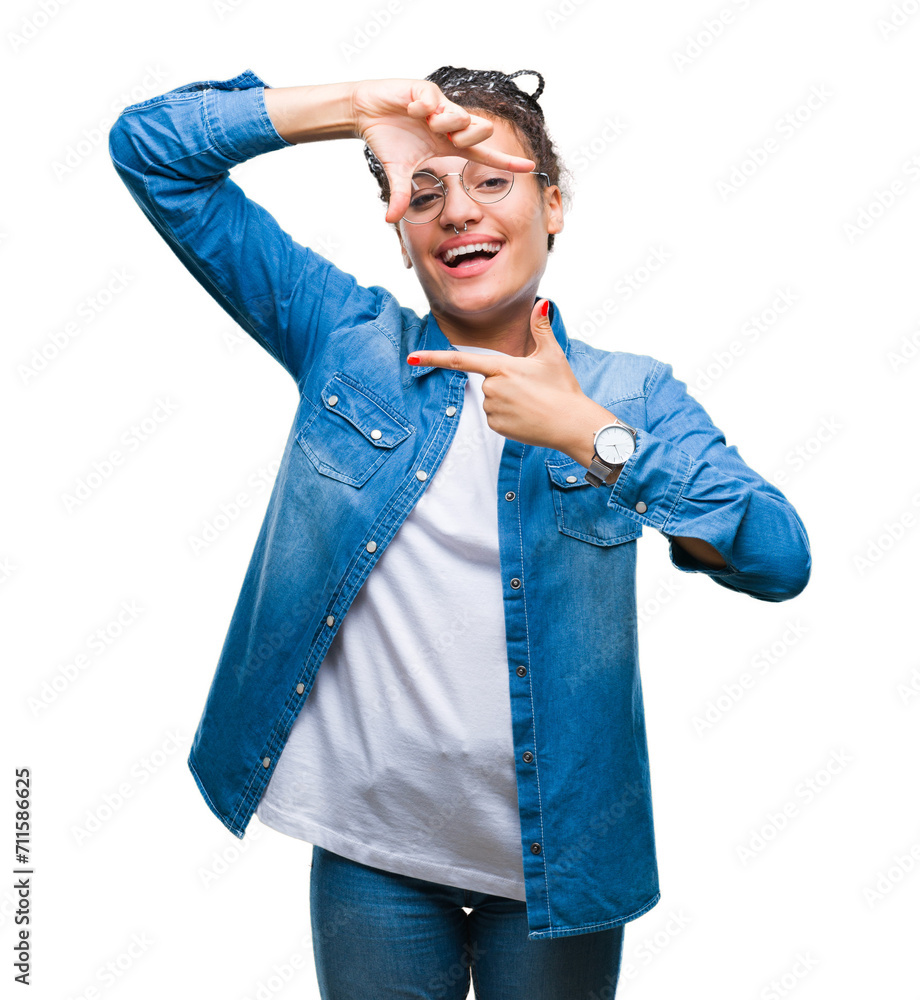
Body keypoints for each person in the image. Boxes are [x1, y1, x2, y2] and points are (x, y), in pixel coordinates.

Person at [108, 65, 811, 999]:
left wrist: (593, 439)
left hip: (557, 876)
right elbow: (151, 152)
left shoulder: (633, 395)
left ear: (553, 206)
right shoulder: (347, 339)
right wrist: (354, 110)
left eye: (492, 180)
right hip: (375, 857)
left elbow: (778, 557)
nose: (457, 210)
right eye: (425, 190)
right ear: (401, 234)